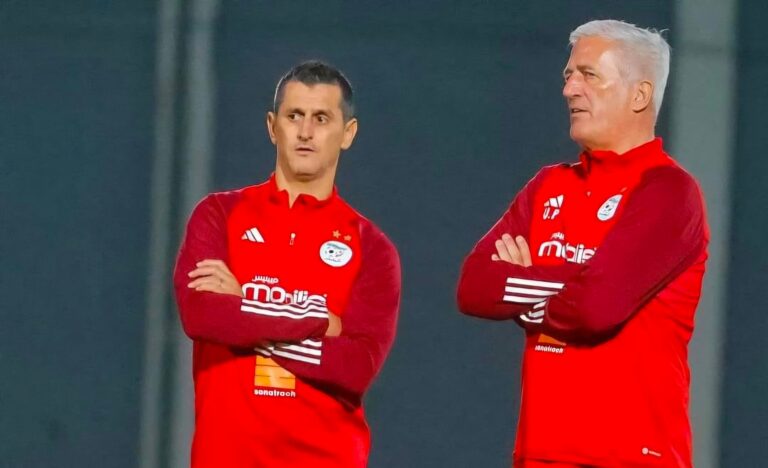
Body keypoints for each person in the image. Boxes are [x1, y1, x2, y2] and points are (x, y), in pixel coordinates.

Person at [457, 20, 708, 467]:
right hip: (540, 452)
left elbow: (596, 307)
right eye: (569, 75)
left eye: (589, 75)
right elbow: (475, 286)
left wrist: (526, 290)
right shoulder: (548, 185)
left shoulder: (670, 192)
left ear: (640, 95)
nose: (569, 89)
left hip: (631, 456)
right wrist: (576, 284)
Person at [173, 61, 401, 467]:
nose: (305, 131)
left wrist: (244, 308)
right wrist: (319, 322)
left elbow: (355, 367)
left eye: (321, 118)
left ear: (348, 133)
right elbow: (202, 315)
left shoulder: (372, 247)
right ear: (272, 126)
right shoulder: (219, 215)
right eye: (294, 116)